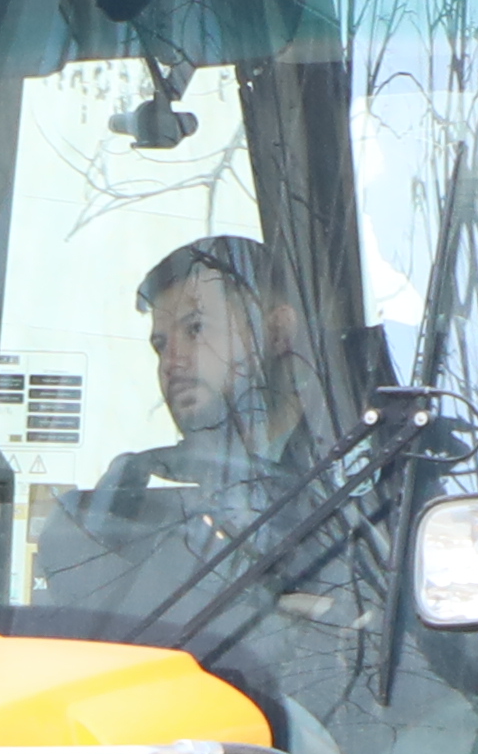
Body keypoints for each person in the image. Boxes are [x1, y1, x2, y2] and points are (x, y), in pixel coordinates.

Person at [36, 232, 344, 631]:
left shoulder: (357, 477)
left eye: (195, 329)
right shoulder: (130, 493)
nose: (171, 362)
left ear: (278, 332)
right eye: (160, 345)